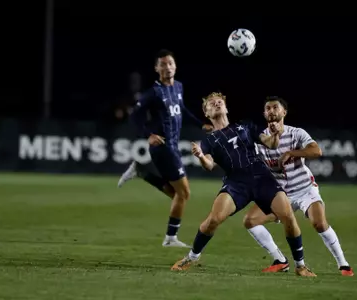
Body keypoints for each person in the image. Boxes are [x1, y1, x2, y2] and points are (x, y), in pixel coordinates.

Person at [170, 92, 316, 277]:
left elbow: (270, 144)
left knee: (288, 216)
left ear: (226, 108)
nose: (216, 104)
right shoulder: (209, 140)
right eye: (211, 104)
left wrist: (276, 134)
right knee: (213, 220)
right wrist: (200, 156)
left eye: (220, 102)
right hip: (235, 183)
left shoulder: (245, 126)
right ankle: (192, 257)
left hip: (262, 178)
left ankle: (300, 265)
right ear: (206, 113)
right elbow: (209, 165)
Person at [243, 96, 354, 276]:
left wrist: (291, 152)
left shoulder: (296, 133)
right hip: (279, 194)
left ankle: (343, 264)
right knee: (250, 220)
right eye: (268, 108)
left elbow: (316, 151)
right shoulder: (261, 140)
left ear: (284, 112)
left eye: (275, 107)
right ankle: (280, 260)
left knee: (319, 223)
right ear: (264, 114)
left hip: (304, 189)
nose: (271, 111)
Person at [119, 49, 212, 247]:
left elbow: (182, 110)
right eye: (163, 64)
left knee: (176, 195)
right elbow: (134, 117)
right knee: (184, 194)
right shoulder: (153, 93)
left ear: (175, 66)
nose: (167, 67)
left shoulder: (178, 87)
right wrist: (148, 135)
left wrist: (200, 124)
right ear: (156, 68)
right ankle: (170, 238)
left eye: (170, 63)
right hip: (163, 147)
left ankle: (142, 172)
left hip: (173, 146)